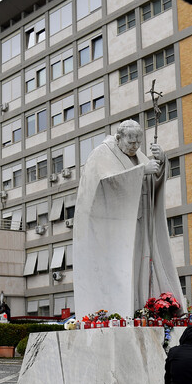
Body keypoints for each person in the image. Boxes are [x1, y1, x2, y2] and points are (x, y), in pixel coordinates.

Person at [73, 119, 185, 318]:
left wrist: (161, 163)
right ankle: (124, 312)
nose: (134, 147)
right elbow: (104, 185)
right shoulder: (101, 153)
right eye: (131, 143)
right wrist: (142, 171)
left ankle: (145, 308)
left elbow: (151, 184)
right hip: (116, 231)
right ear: (118, 138)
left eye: (138, 143)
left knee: (143, 268)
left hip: (140, 223)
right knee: (126, 270)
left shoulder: (137, 156)